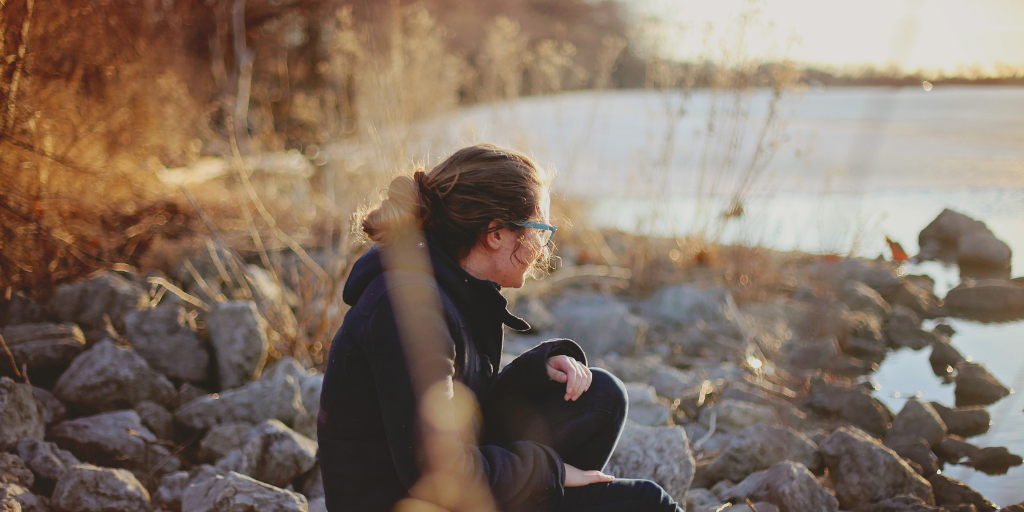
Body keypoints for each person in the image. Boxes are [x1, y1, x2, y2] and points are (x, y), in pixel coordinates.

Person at [318, 143, 684, 512]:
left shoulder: (458, 286)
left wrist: (535, 372)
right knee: (648, 503)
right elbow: (436, 469)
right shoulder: (408, 308)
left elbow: (462, 403)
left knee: (601, 396)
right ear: (495, 233)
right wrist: (551, 472)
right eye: (539, 230)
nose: (544, 248)